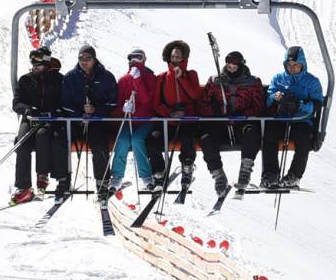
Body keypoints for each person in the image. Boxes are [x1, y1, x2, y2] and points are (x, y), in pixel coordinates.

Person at [198, 50, 266, 195]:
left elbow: (259, 106)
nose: (232, 69)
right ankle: (218, 174)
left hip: (242, 122)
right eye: (229, 66)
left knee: (252, 133)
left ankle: (245, 170)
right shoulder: (216, 81)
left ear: (241, 65)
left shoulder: (252, 82)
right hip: (221, 122)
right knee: (206, 138)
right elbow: (204, 105)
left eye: (235, 66)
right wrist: (218, 113)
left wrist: (242, 115)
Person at [11, 46, 70, 202]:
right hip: (30, 119)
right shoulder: (25, 80)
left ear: (47, 64)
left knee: (43, 135)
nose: (35, 67)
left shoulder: (58, 79)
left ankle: (42, 175)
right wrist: (27, 110)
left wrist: (55, 111)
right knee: (21, 142)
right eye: (33, 63)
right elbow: (16, 103)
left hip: (49, 120)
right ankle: (23, 187)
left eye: (38, 64)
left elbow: (64, 101)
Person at [263, 46, 325, 190]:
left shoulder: (312, 82)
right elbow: (268, 98)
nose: (292, 68)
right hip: (281, 118)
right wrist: (274, 97)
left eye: (296, 65)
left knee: (304, 139)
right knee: (269, 135)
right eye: (289, 65)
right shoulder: (279, 78)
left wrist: (300, 106)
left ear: (302, 65)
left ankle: (294, 175)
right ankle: (270, 174)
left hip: (301, 120)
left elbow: (317, 103)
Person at [62, 44, 119, 193]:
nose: (84, 61)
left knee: (99, 144)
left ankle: (103, 182)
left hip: (97, 121)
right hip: (76, 121)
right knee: (59, 140)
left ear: (94, 59)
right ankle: (62, 180)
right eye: (81, 58)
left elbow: (113, 102)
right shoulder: (70, 77)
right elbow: (65, 103)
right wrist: (79, 115)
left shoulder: (106, 77)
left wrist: (96, 111)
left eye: (88, 58)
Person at [153, 39, 204, 193]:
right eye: (173, 57)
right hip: (169, 119)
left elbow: (194, 95)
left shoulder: (191, 75)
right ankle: (159, 171)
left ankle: (187, 168)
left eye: (178, 57)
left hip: (188, 118)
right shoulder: (161, 78)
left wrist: (182, 78)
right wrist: (170, 113)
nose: (175, 60)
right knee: (153, 140)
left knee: (187, 138)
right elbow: (156, 103)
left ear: (184, 59)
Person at [110, 49, 162, 193]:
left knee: (137, 140)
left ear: (144, 60)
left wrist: (138, 80)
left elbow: (147, 101)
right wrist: (124, 108)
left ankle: (146, 177)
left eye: (138, 58)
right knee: (123, 140)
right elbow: (118, 105)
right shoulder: (123, 80)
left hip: (146, 120)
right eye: (131, 58)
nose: (134, 61)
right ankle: (116, 177)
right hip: (129, 120)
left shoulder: (150, 77)